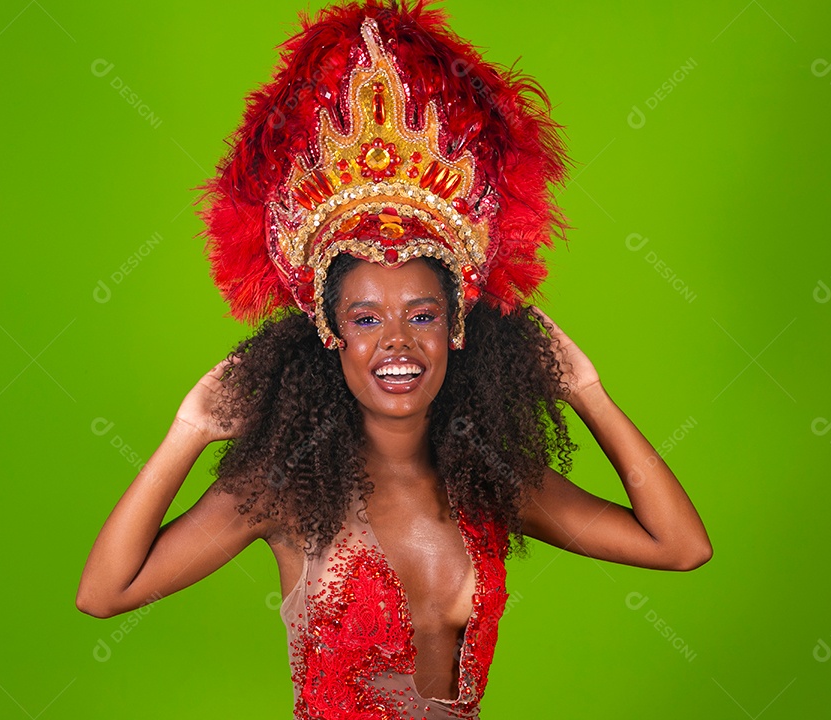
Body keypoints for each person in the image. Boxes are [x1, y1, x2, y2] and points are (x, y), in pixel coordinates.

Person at [76, 2, 711, 718]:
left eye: (423, 316)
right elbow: (105, 592)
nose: (397, 343)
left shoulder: (491, 481)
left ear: (456, 328)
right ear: (331, 332)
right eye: (367, 319)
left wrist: (587, 391)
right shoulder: (285, 487)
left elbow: (679, 546)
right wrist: (188, 431)